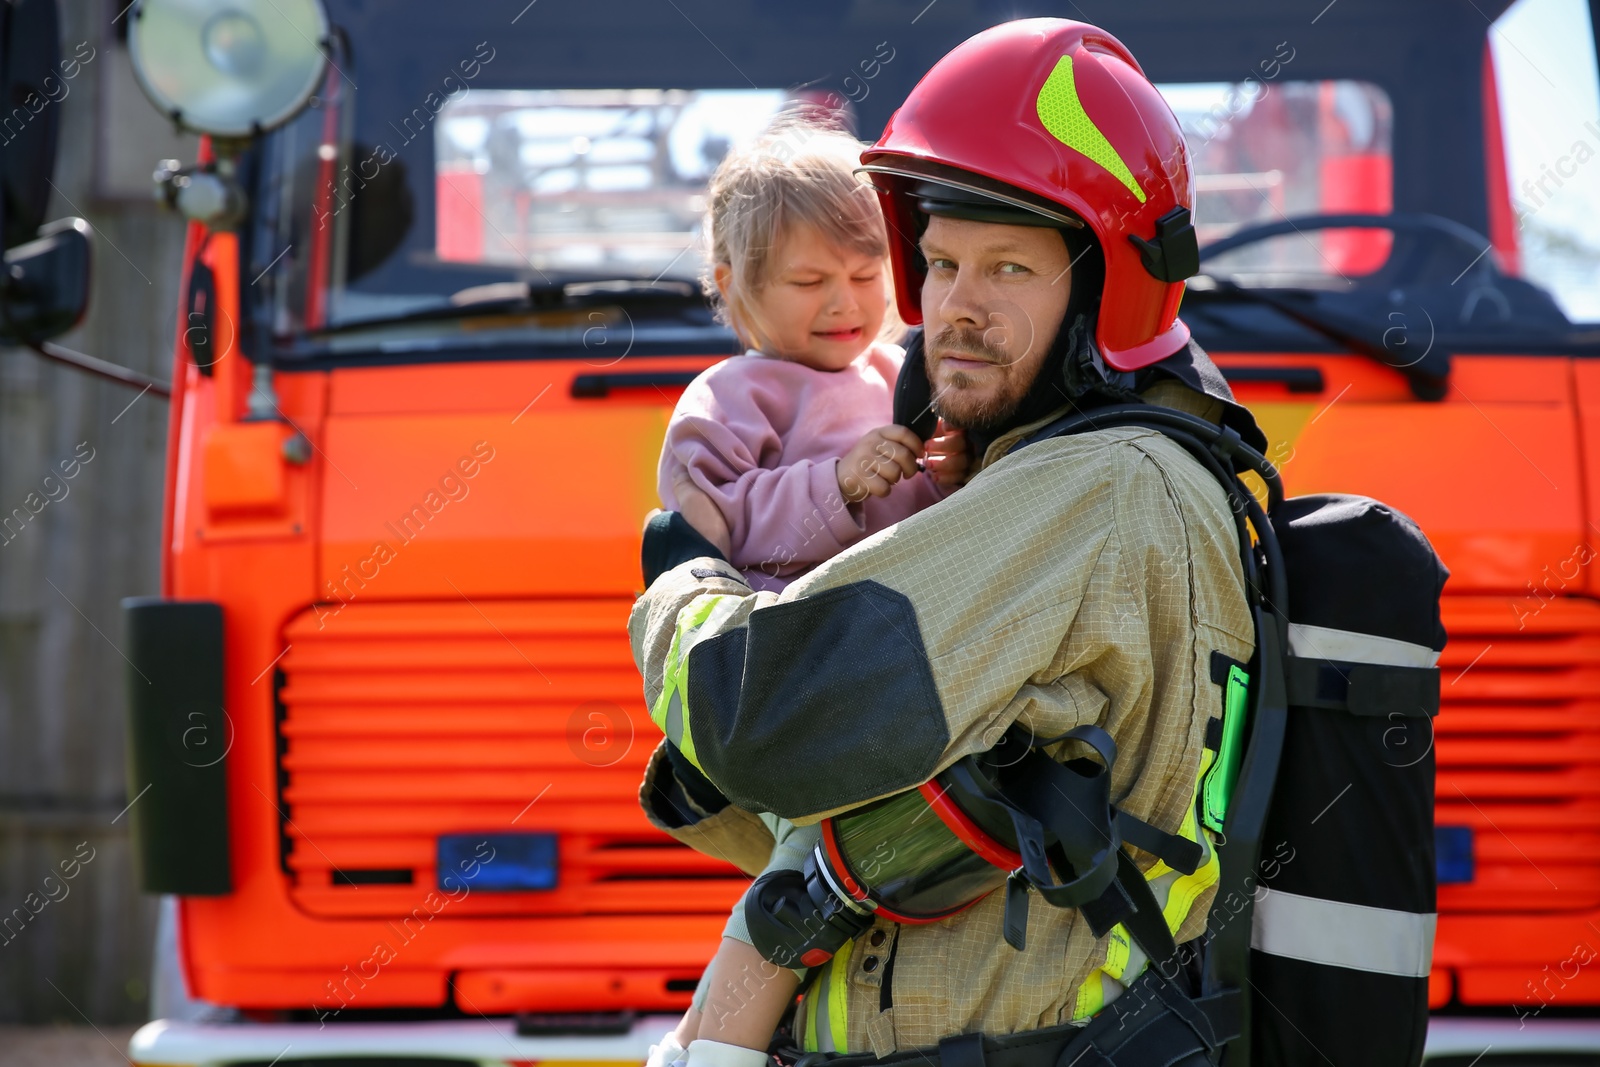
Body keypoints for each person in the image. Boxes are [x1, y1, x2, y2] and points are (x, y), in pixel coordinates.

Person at [632, 18, 1270, 1067]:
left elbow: (756, 723)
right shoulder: (1057, 468)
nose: (954, 311)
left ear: (1110, 281)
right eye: (936, 262)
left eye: (1009, 268)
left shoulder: (1089, 489)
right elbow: (830, 797)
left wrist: (680, 582)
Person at [649, 123, 969, 1067]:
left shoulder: (899, 373)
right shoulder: (732, 397)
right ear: (734, 285)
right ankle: (709, 1052)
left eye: (867, 276)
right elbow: (709, 526)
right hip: (794, 676)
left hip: (894, 670)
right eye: (808, 281)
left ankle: (706, 1041)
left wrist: (948, 475)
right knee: (804, 886)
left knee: (837, 878)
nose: (845, 303)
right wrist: (840, 485)